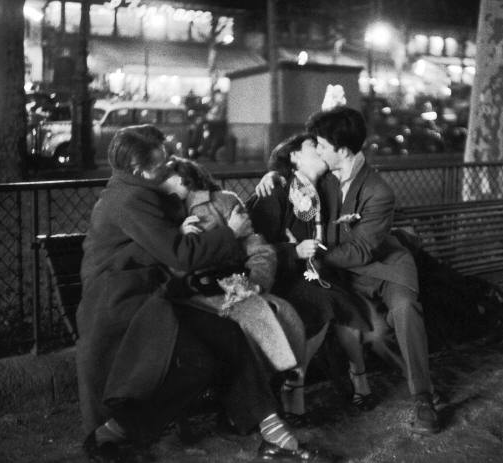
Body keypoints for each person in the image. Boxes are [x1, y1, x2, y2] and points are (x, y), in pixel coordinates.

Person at [75, 124, 330, 462]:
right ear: (138, 170)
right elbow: (180, 254)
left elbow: (179, 248)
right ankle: (111, 433)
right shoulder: (129, 199)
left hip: (155, 296)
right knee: (201, 358)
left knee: (226, 334)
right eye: (161, 163)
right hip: (123, 304)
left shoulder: (141, 192)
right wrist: (229, 233)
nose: (170, 166)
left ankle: (276, 436)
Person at [256, 107, 442, 435]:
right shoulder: (323, 177)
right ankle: (340, 382)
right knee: (375, 333)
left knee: (403, 310)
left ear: (341, 151)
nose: (318, 149)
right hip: (344, 275)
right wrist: (274, 174)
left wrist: (311, 256)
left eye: (322, 145)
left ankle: (423, 398)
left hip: (383, 267)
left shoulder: (377, 191)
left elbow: (360, 251)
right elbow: (292, 176)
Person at [248, 132, 376, 427]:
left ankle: (355, 379)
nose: (320, 150)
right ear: (294, 156)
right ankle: (297, 387)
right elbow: (253, 248)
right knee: (328, 300)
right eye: (312, 146)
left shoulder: (328, 188)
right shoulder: (276, 192)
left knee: (336, 298)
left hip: (321, 272)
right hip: (284, 278)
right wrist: (293, 250)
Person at [158, 155, 306, 374]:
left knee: (279, 312)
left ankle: (282, 383)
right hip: (188, 293)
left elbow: (259, 250)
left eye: (165, 176)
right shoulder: (157, 213)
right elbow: (169, 260)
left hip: (230, 285)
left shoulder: (222, 202)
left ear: (183, 178)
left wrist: (256, 282)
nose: (158, 183)